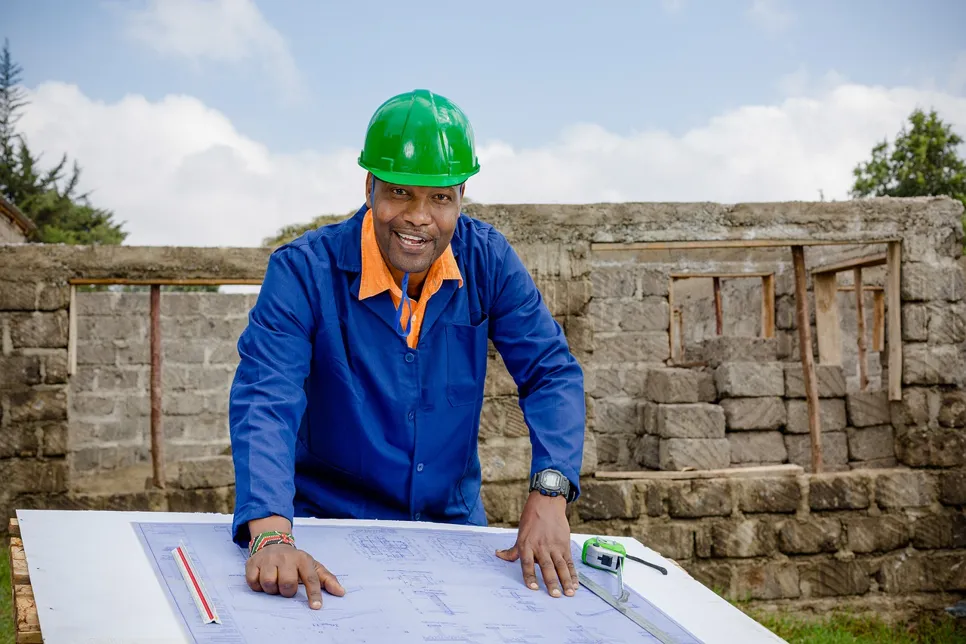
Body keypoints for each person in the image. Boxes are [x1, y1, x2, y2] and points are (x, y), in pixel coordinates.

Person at [228, 89, 586, 611]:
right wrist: (272, 535)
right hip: (327, 528)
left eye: (440, 198)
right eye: (400, 192)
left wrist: (551, 492)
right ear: (369, 186)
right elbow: (267, 397)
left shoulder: (488, 261)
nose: (419, 217)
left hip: (453, 529)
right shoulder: (304, 271)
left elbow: (551, 372)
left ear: (461, 196)